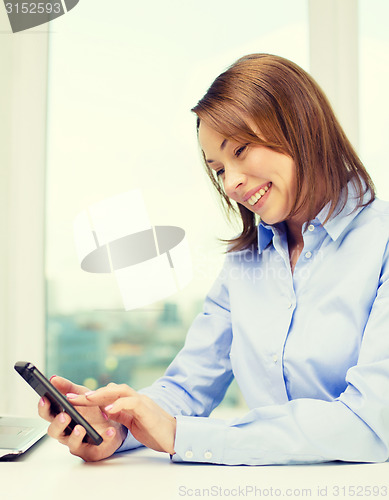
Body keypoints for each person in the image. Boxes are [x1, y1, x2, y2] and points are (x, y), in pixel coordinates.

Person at [38, 53, 389, 465]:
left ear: (301, 128)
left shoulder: (379, 243)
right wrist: (116, 425)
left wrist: (181, 435)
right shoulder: (245, 263)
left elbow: (369, 422)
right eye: (219, 169)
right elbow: (187, 389)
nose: (233, 183)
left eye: (241, 150)